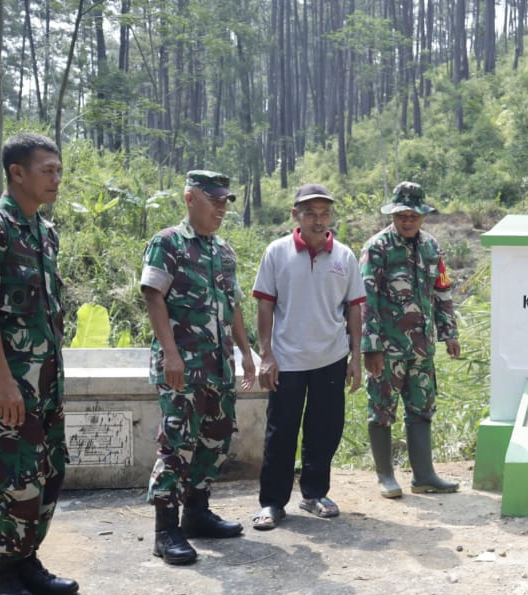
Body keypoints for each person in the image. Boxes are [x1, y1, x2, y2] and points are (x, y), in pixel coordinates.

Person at [0, 132, 79, 595]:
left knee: (49, 475)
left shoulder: (42, 232)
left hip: (45, 384)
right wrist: (2, 381)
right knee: (14, 481)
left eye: (58, 170)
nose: (56, 178)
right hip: (4, 385)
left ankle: (25, 561)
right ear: (17, 172)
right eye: (47, 169)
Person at [140, 170, 256, 565]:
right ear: (191, 198)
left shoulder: (223, 251)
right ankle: (165, 529)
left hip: (218, 366)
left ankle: (197, 512)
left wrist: (246, 352)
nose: (222, 208)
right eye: (215, 200)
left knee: (215, 438)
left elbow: (235, 304)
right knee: (176, 443)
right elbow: (154, 296)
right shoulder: (167, 243)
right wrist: (170, 354)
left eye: (226, 201)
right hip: (182, 366)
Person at [249, 184, 364, 528]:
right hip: (287, 359)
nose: (318, 220)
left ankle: (314, 494)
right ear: (295, 214)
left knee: (325, 429)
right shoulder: (277, 252)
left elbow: (355, 310)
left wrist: (356, 358)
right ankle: (272, 502)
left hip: (330, 357)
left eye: (324, 213)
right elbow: (265, 304)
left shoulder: (344, 256)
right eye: (310, 213)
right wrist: (266, 355)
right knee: (280, 431)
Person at [360, 182, 461, 498]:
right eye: (401, 215)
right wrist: (371, 347)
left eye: (413, 215)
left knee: (421, 406)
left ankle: (424, 475)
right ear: (393, 214)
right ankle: (385, 476)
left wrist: (449, 333)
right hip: (387, 349)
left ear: (422, 216)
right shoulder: (377, 247)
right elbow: (366, 299)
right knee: (382, 408)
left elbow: (441, 291)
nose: (407, 221)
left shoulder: (432, 247)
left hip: (422, 347)